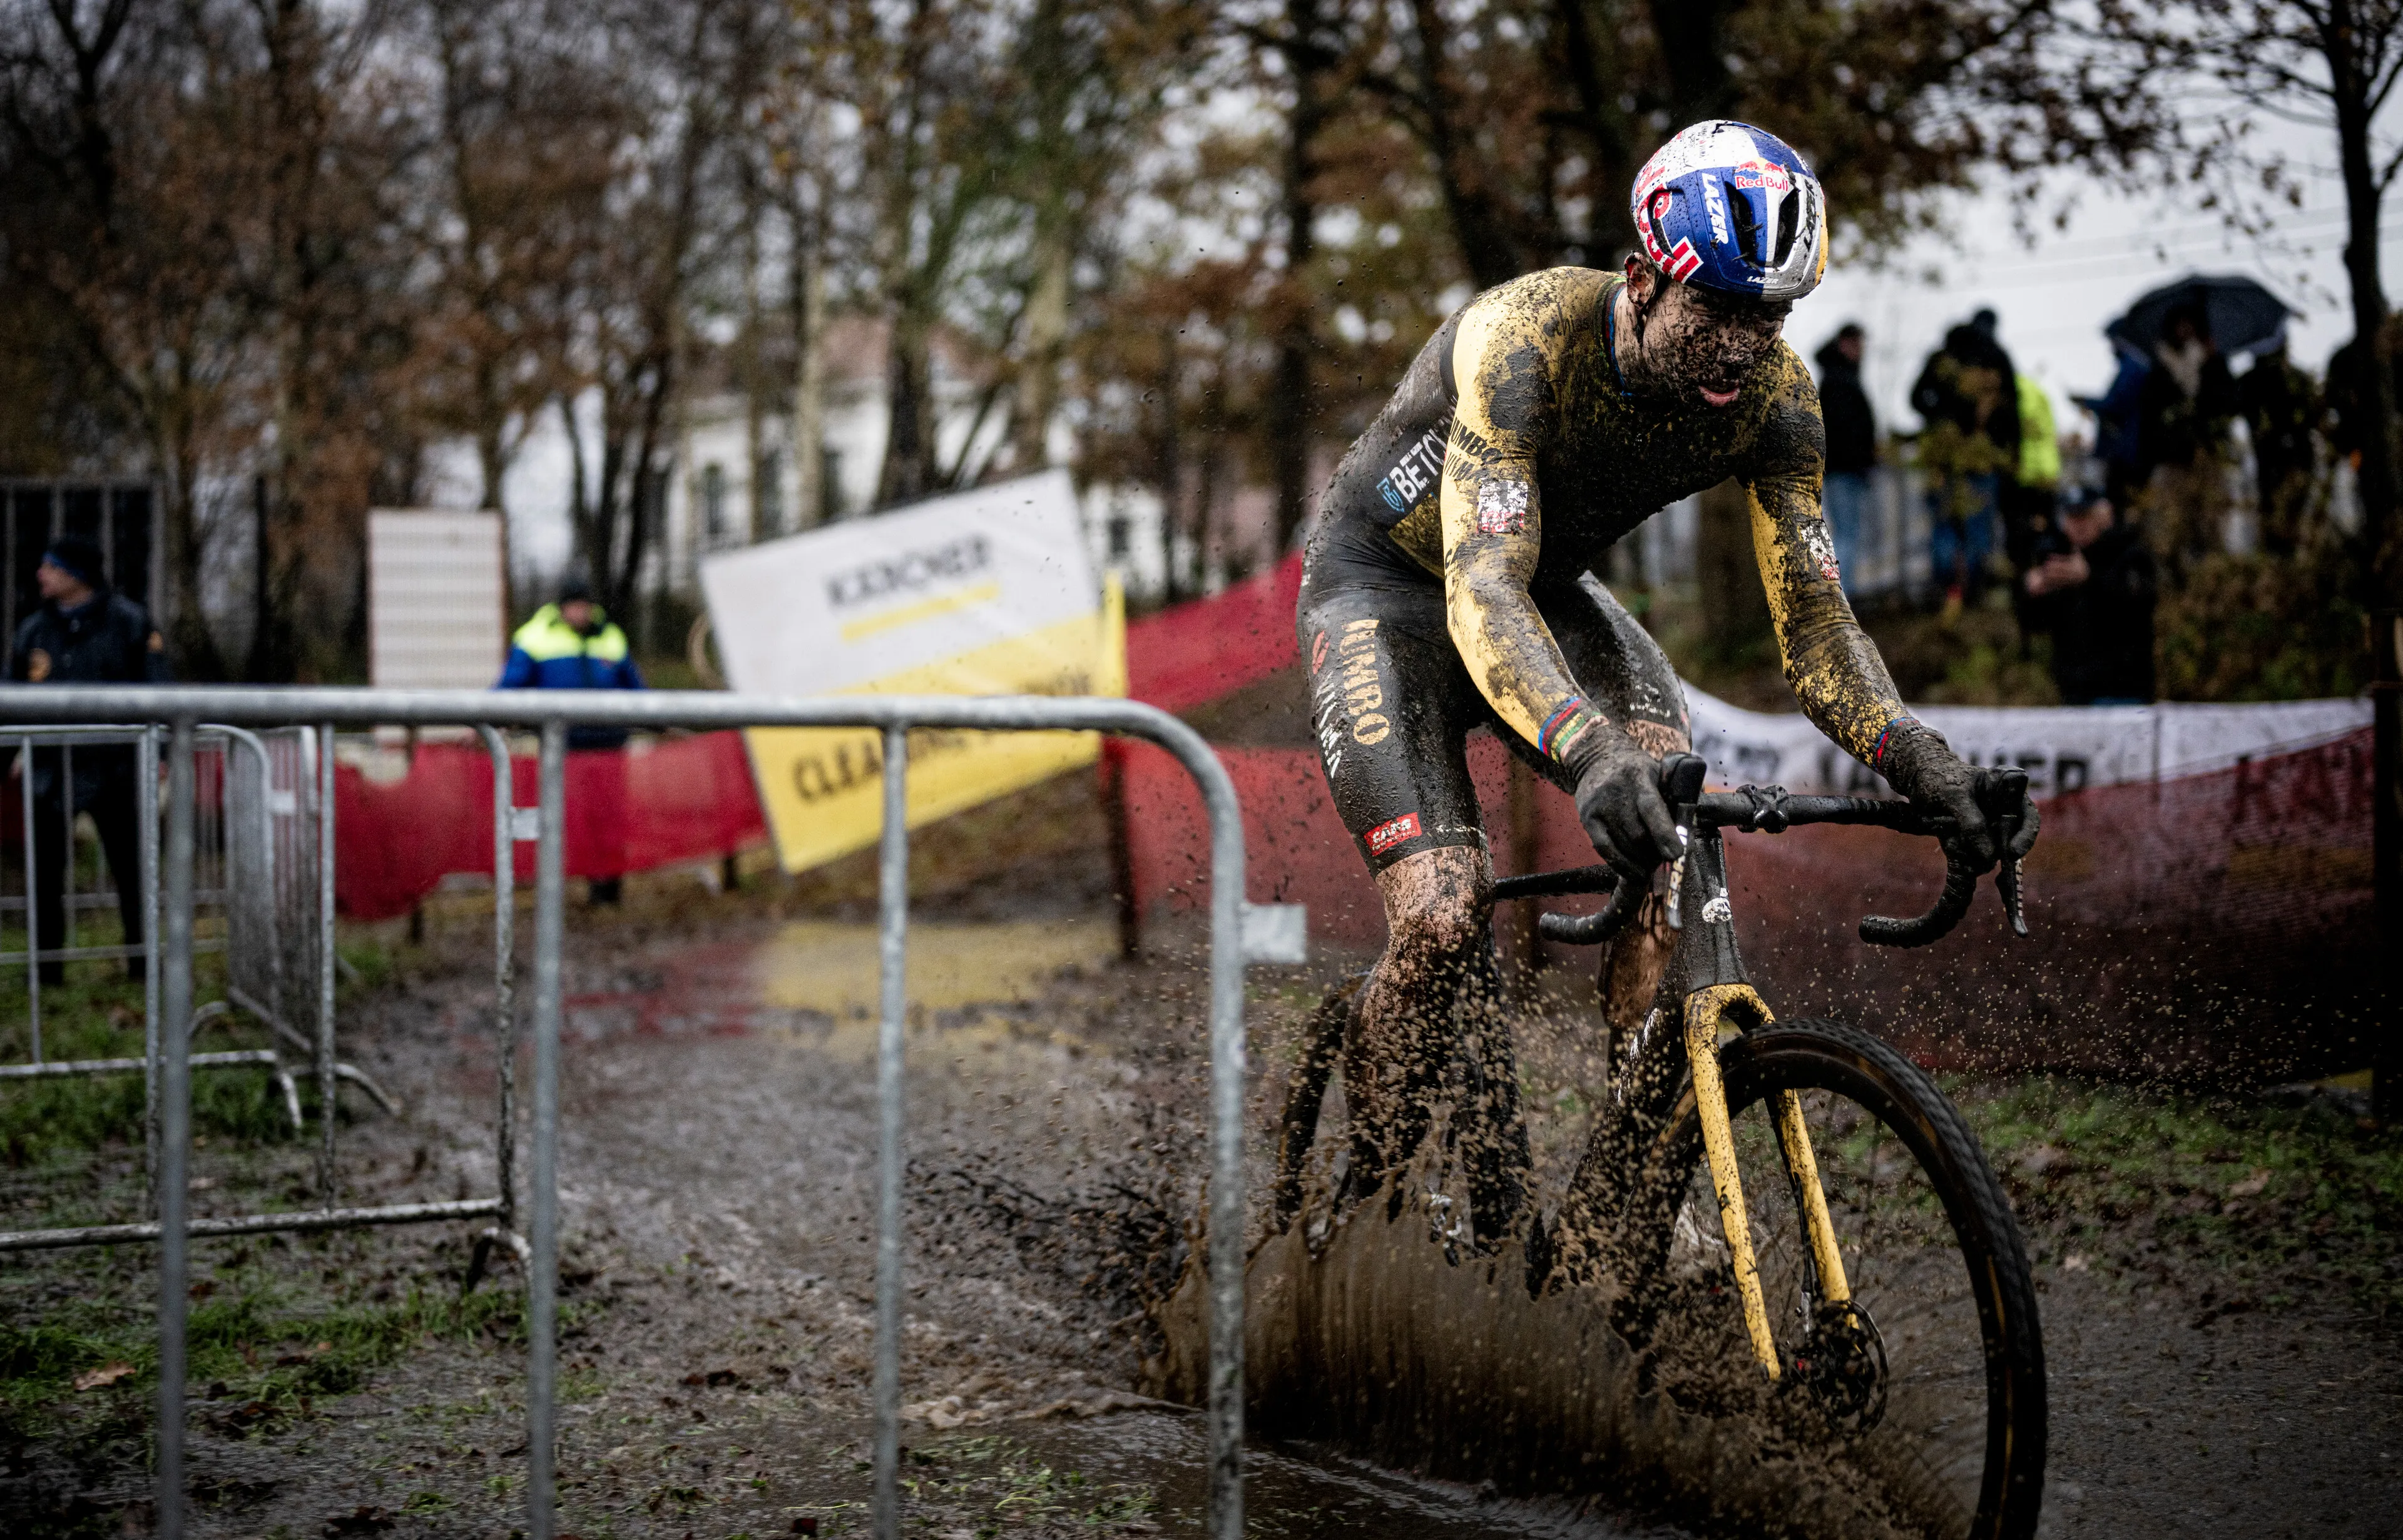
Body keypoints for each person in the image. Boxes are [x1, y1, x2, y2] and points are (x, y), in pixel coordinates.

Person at [1299, 120, 2038, 1252]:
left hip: (1545, 590)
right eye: (1720, 310)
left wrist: (1923, 761)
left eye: (1771, 316)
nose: (1742, 347)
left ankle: (1643, 1200)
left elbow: (1819, 628)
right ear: (1642, 279)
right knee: (1444, 917)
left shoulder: (1780, 404)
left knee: (1671, 833)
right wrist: (1588, 748)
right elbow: (1480, 587)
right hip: (1389, 594)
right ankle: (1367, 1213)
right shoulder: (1524, 339)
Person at [8, 535, 172, 984]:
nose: (41, 575)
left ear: (76, 574)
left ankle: (143, 965)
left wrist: (159, 753)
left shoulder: (130, 623)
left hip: (116, 768)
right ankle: (46, 973)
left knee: (132, 870)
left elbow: (158, 689)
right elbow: (12, 696)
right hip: (51, 771)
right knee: (44, 875)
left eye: (51, 567)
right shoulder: (34, 630)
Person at [497, 579, 645, 903]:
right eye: (574, 605)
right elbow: (509, 686)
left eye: (585, 605)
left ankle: (606, 892)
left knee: (608, 819)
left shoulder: (611, 636)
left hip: (609, 748)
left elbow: (636, 688)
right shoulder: (535, 637)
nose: (580, 612)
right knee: (562, 819)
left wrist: (659, 718)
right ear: (562, 608)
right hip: (562, 750)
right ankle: (554, 894)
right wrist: (487, 716)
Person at [1910, 309, 2021, 616]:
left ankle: (1946, 591)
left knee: (1944, 527)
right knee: (1978, 530)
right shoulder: (1996, 359)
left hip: (1942, 462)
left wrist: (1939, 418)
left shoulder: (1942, 359)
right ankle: (1972, 594)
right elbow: (2012, 412)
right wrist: (2012, 457)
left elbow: (1916, 399)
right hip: (1981, 461)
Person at [2021, 486, 2156, 705]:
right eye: (2072, 518)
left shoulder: (2128, 553)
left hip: (2123, 689)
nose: (2078, 525)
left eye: (2084, 516)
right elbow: (2037, 625)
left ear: (2103, 517)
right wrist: (2034, 591)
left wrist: (2090, 579)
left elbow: (2137, 605)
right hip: (2075, 691)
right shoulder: (2060, 555)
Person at [2134, 300, 2239, 579]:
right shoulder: (2159, 371)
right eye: (2180, 324)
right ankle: (2176, 582)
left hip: (2208, 457)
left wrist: (2211, 367)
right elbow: (2149, 419)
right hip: (2172, 460)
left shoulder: (2214, 363)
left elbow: (2229, 405)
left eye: (2190, 324)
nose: (2185, 330)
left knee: (2212, 525)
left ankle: (2213, 582)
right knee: (2171, 529)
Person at [2235, 333, 2319, 556]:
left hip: (2293, 459)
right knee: (2276, 518)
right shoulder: (2251, 383)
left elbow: (2312, 417)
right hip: (2272, 461)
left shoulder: (2294, 379)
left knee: (2290, 517)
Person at [1814, 323, 1877, 596]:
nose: (1862, 350)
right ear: (1845, 343)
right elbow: (1845, 429)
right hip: (1844, 470)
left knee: (1842, 534)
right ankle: (1841, 597)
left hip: (1841, 469)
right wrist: (1861, 458)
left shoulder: (1838, 377)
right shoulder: (1840, 380)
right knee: (1846, 535)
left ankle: (1838, 595)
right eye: (1857, 343)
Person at [2005, 370, 2062, 646]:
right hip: (2046, 475)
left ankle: (2030, 621)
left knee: (2023, 551)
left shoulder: (2015, 394)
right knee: (2044, 547)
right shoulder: (2039, 394)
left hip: (2026, 478)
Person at [2075, 339, 2151, 510]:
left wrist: (2088, 402)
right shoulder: (2134, 365)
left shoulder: (2132, 366)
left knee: (2122, 504)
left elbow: (2117, 404)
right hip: (2127, 448)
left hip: (2125, 448)